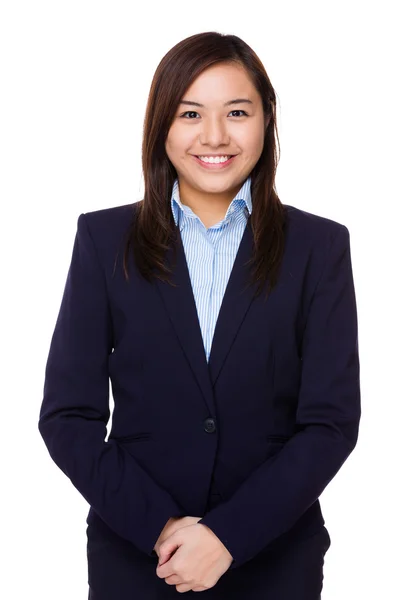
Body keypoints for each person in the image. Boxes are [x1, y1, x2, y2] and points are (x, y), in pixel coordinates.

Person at [38, 31, 361, 599]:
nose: (215, 135)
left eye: (237, 112)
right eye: (191, 113)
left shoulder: (319, 247)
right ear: (161, 123)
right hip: (140, 559)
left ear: (267, 119)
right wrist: (162, 529)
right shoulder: (104, 239)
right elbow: (68, 417)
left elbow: (330, 423)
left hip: (275, 559)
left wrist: (229, 536)